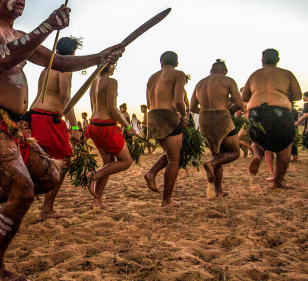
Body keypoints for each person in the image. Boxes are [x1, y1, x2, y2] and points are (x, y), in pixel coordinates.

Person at [0, 0, 123, 281]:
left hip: (11, 122)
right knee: (23, 189)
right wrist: (49, 26)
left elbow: (59, 62)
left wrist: (101, 57)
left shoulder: (20, 35)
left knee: (48, 177)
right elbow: (2, 56)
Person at [28, 36, 82, 218]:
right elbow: (66, 98)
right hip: (49, 118)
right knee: (65, 161)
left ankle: (36, 199)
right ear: (73, 53)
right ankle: (47, 208)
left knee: (38, 161)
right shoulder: (64, 68)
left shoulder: (47, 68)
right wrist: (74, 127)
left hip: (35, 115)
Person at [242, 48, 302, 189]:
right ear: (278, 60)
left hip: (257, 112)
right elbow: (298, 95)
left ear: (262, 61)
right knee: (284, 147)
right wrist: (282, 97)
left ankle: (257, 155)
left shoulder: (254, 75)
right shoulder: (286, 74)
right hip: (279, 111)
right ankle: (277, 182)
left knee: (257, 139)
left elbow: (244, 97)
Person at [190, 59, 243, 198]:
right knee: (234, 152)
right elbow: (239, 103)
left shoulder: (200, 83)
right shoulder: (228, 80)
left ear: (211, 70)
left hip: (205, 120)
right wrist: (229, 110)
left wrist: (205, 110)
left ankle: (218, 191)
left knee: (218, 157)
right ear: (224, 71)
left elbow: (192, 107)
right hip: (222, 118)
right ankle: (210, 164)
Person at [86, 64, 134, 208]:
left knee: (108, 163)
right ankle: (93, 175)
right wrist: (128, 126)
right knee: (126, 161)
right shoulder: (111, 81)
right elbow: (113, 109)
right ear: (111, 67)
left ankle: (97, 200)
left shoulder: (93, 84)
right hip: (106, 126)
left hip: (94, 125)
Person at [143, 51, 187, 207]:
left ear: (161, 62)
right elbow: (178, 100)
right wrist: (185, 115)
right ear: (176, 63)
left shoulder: (152, 78)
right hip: (168, 115)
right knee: (175, 159)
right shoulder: (178, 74)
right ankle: (166, 200)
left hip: (153, 115)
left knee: (170, 154)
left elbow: (148, 103)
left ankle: (152, 172)